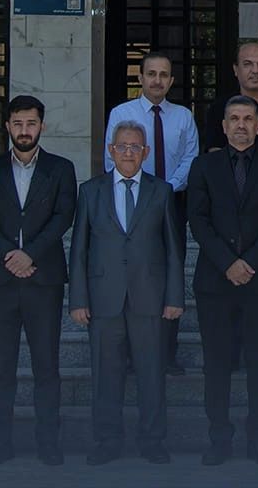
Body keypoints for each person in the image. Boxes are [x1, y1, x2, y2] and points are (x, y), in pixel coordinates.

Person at [185, 95, 258, 467]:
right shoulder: (203, 166)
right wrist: (229, 263)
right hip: (215, 282)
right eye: (234, 118)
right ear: (224, 126)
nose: (241, 125)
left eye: (248, 118)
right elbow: (198, 220)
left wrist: (249, 263)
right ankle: (219, 440)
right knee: (216, 366)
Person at [71, 120, 185, 466]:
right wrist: (78, 299)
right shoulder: (90, 191)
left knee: (151, 374)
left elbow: (173, 248)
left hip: (149, 297)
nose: (129, 153)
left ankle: (153, 440)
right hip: (103, 298)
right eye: (122, 146)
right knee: (106, 375)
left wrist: (174, 297)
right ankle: (107, 440)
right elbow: (79, 249)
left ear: (146, 152)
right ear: (111, 150)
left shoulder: (161, 191)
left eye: (135, 147)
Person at [0, 94, 75, 467]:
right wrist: (8, 255)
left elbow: (64, 216)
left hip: (43, 280)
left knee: (46, 367)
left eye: (31, 123)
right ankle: (0, 444)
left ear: (42, 126)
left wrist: (30, 254)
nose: (24, 130)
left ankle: (48, 443)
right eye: (18, 124)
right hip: (0, 282)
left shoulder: (60, 169)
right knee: (1, 368)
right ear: (8, 127)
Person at [104, 50, 199, 372]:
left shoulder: (183, 117)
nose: (157, 80)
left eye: (164, 75)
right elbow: (112, 159)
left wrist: (164, 191)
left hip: (172, 205)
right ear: (140, 77)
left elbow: (191, 159)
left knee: (170, 276)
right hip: (129, 205)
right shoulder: (121, 113)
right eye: (151, 74)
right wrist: (144, 192)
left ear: (171, 81)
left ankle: (166, 355)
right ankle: (131, 355)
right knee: (133, 276)